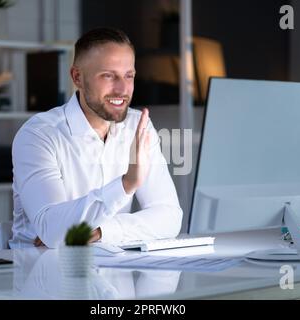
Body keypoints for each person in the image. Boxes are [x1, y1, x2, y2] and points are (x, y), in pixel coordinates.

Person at [9, 27, 182, 249]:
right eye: (108, 76)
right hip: (40, 271)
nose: (122, 89)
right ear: (77, 77)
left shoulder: (137, 126)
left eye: (129, 76)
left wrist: (100, 232)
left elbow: (169, 217)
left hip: (112, 268)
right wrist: (126, 184)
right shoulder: (38, 135)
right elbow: (52, 232)